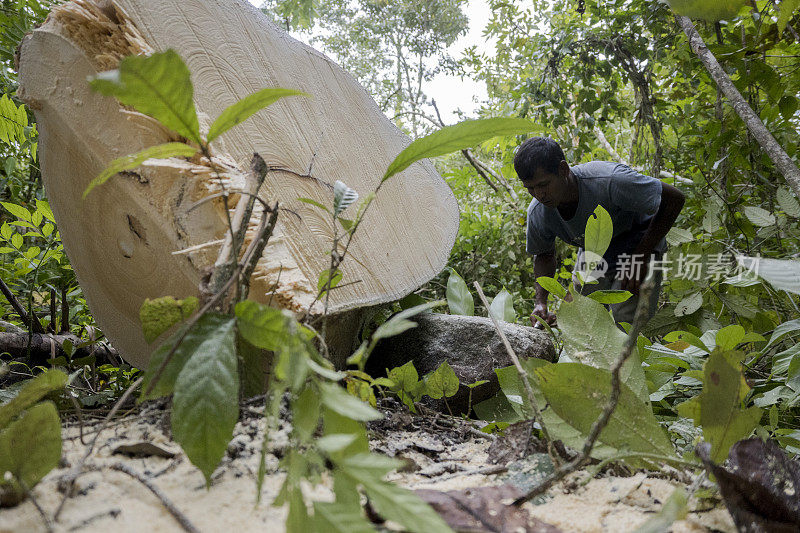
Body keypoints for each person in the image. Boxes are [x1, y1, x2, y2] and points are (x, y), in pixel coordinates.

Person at [514, 137, 685, 327]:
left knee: (628, 323)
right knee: (580, 319)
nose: (539, 195)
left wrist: (641, 256)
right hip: (594, 250)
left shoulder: (610, 180)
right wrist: (541, 302)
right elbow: (544, 254)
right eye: (530, 188)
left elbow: (674, 199)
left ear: (563, 169)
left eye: (544, 185)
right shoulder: (538, 212)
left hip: (638, 240)